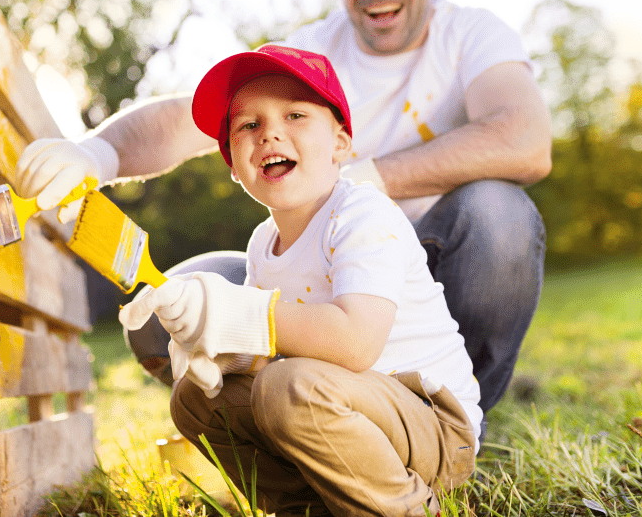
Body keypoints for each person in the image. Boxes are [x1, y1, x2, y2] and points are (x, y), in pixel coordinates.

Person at [15, 0, 551, 422]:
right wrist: (95, 154)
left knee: (498, 216)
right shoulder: (313, 54)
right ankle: (275, 439)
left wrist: (368, 179)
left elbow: (524, 140)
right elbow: (181, 118)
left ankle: (464, 422)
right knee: (165, 309)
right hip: (324, 275)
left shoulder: (472, 36)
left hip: (434, 269)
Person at [119, 44, 480, 515]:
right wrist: (213, 344)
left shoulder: (360, 213)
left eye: (295, 115)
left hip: (433, 428)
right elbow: (262, 356)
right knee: (196, 398)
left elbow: (355, 343)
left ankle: (408, 508)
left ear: (340, 143)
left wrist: (238, 313)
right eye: (248, 125)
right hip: (340, 413)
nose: (270, 133)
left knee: (289, 387)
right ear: (233, 165)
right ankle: (307, 507)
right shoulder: (262, 243)